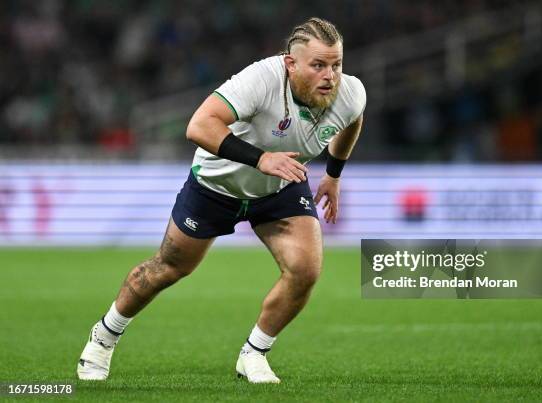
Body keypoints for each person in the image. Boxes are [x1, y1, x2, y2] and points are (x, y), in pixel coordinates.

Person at [77, 17, 366, 384]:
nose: (330, 76)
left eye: (336, 65)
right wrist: (262, 158)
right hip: (216, 186)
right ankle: (104, 336)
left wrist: (334, 175)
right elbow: (198, 125)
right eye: (319, 65)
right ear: (290, 63)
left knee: (305, 269)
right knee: (167, 268)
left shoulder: (350, 93)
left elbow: (354, 119)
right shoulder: (260, 80)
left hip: (279, 184)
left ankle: (255, 353)